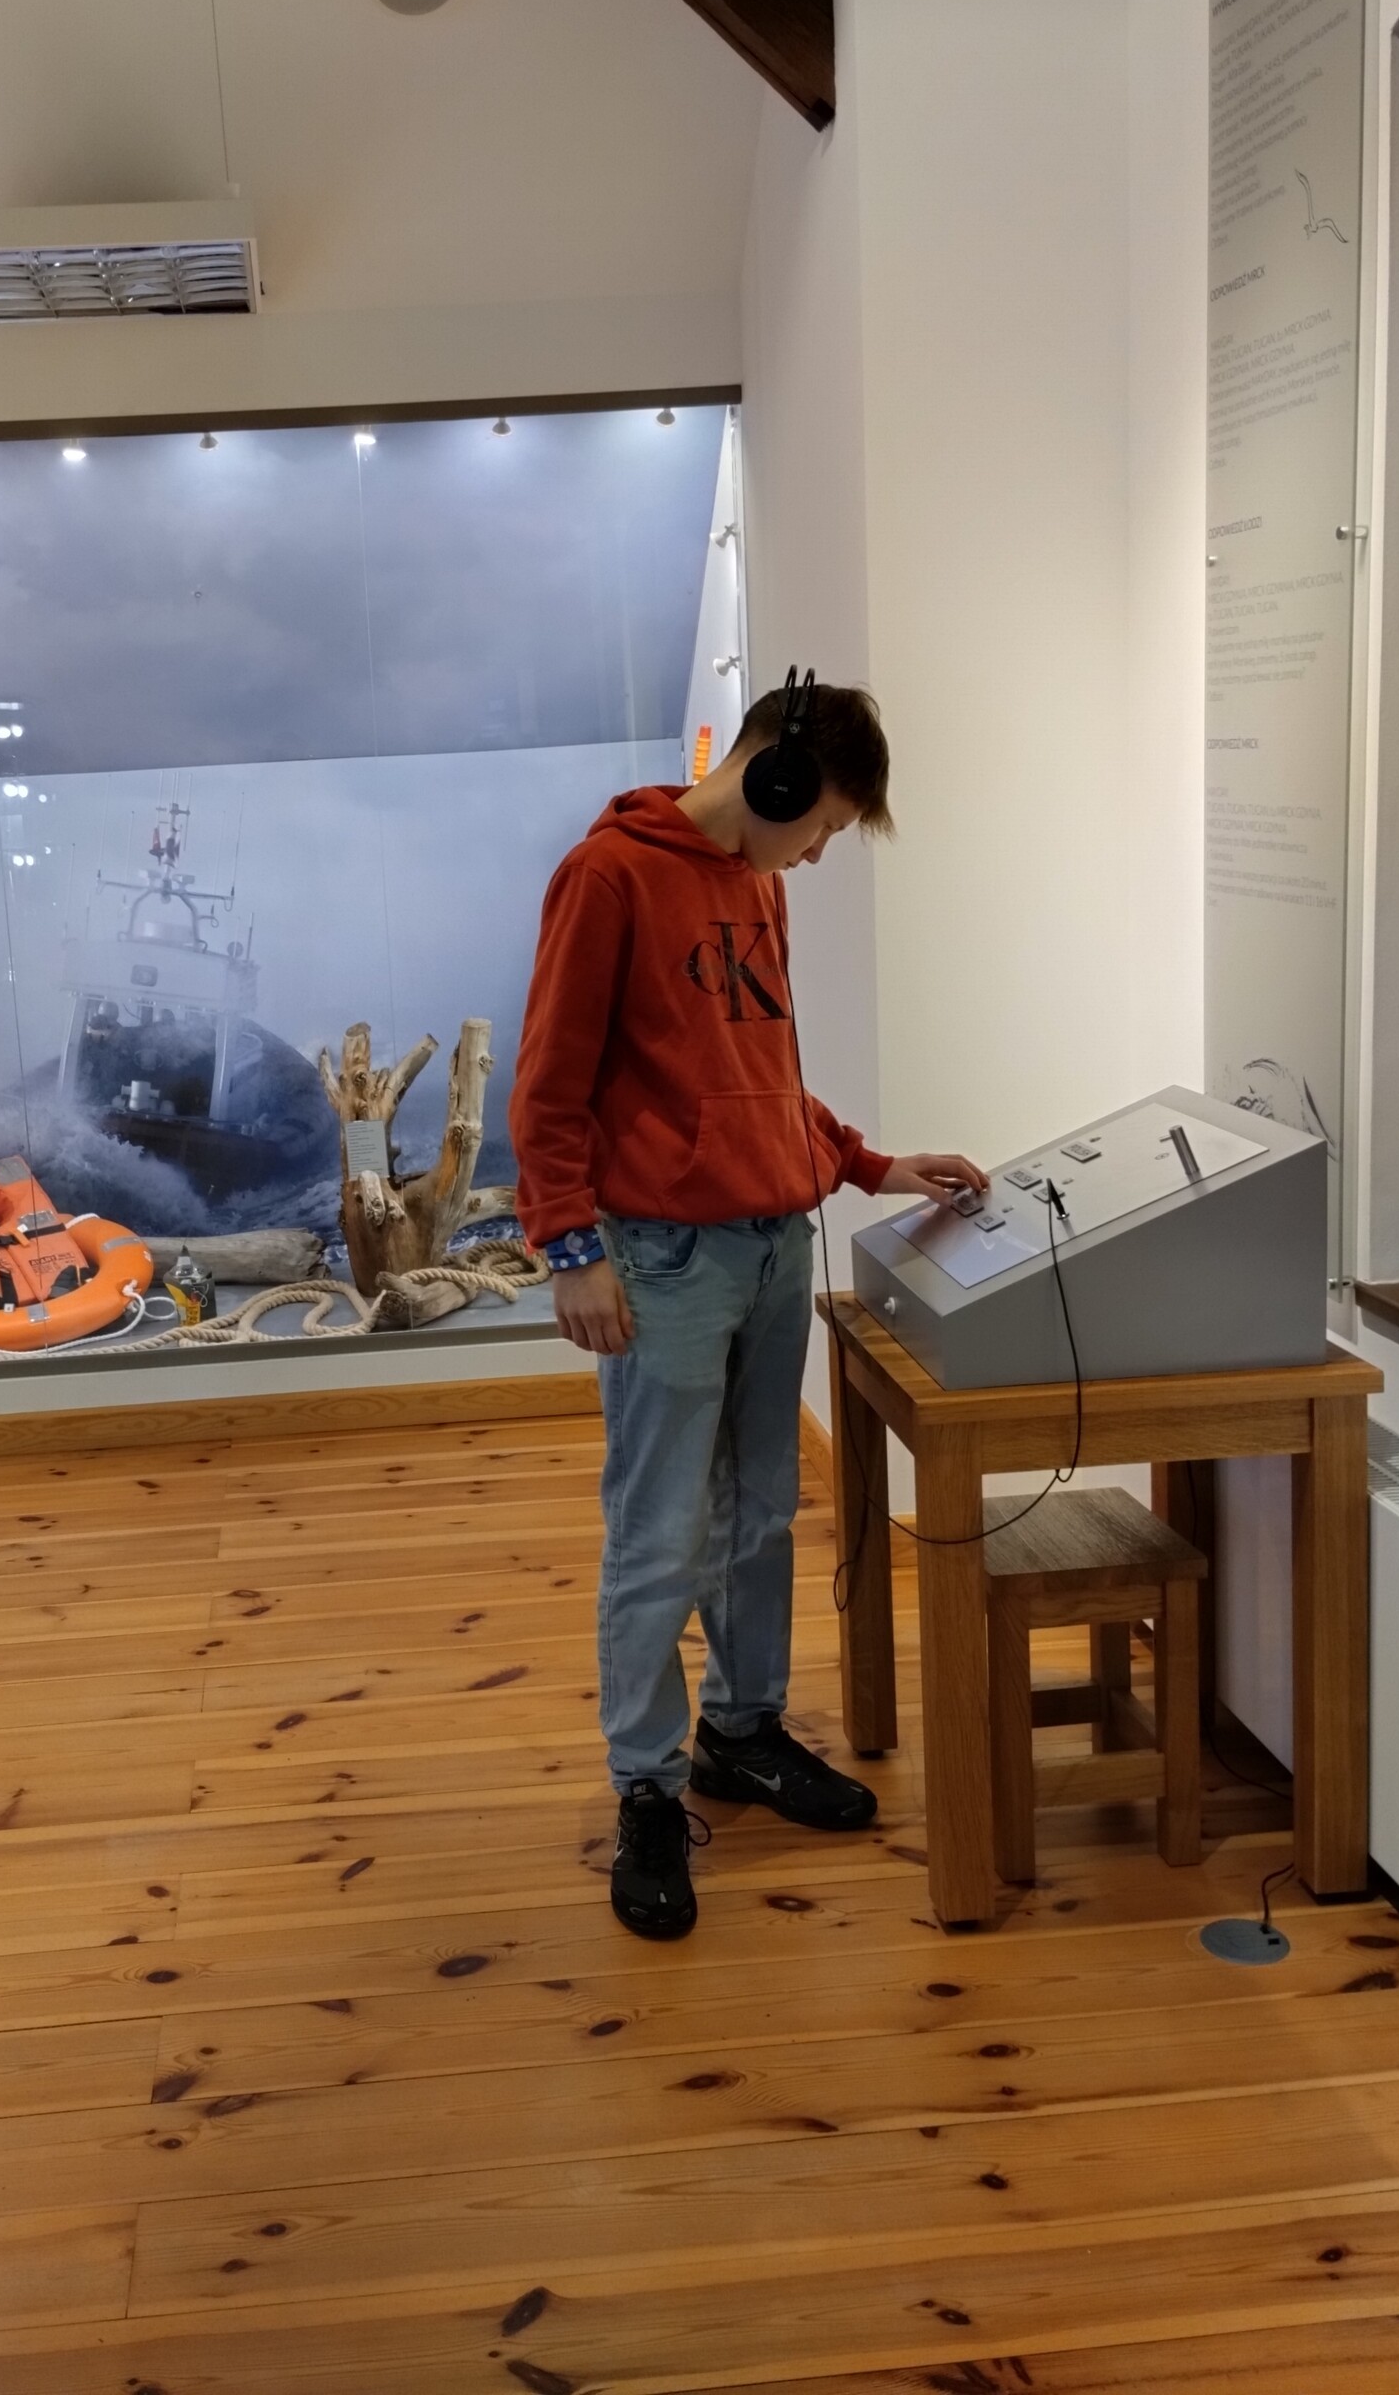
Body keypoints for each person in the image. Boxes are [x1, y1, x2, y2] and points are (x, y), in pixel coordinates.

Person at [510, 678, 988, 1939]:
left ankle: (740, 1728)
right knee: (659, 1527)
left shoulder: (757, 885)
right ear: (770, 778)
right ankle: (646, 1786)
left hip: (775, 1244)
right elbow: (547, 1082)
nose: (818, 852)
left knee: (762, 1509)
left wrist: (868, 1162)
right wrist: (569, 1246)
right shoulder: (608, 876)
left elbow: (760, 1073)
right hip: (663, 1259)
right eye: (819, 824)